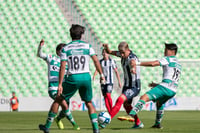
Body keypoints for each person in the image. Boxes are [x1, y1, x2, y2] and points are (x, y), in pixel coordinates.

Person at [58, 24, 105, 133]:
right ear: (82, 35)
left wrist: (60, 84)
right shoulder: (87, 46)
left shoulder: (66, 48)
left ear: (70, 34)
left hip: (73, 77)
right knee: (89, 102)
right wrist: (102, 75)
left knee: (59, 99)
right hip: (85, 76)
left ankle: (51, 123)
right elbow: (96, 61)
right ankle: (96, 129)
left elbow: (63, 66)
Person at [129, 43, 182, 129]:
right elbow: (172, 79)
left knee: (143, 97)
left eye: (166, 50)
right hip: (173, 90)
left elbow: (153, 64)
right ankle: (157, 124)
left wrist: (137, 63)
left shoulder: (168, 59)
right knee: (159, 103)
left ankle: (131, 114)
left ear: (172, 51)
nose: (164, 51)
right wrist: (157, 85)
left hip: (165, 87)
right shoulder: (178, 63)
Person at [37, 39, 79, 133]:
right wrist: (41, 46)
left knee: (65, 108)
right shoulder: (51, 58)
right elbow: (40, 54)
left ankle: (57, 119)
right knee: (63, 104)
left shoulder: (68, 62)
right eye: (62, 49)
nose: (65, 51)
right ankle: (74, 124)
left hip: (64, 89)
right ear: (58, 51)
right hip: (53, 87)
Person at [103, 42, 143, 128]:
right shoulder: (122, 54)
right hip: (127, 85)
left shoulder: (132, 58)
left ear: (128, 50)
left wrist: (133, 68)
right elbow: (110, 51)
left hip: (134, 86)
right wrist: (107, 47)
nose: (121, 54)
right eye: (120, 52)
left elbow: (133, 63)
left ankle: (106, 120)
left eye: (123, 53)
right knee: (126, 105)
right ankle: (138, 123)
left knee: (120, 100)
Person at [93, 49, 122, 113]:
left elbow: (116, 71)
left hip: (110, 81)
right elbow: (97, 69)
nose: (104, 54)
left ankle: (111, 110)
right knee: (105, 96)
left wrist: (119, 81)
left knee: (108, 95)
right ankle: (110, 112)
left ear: (108, 54)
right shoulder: (100, 62)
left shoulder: (112, 61)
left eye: (105, 53)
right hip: (103, 81)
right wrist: (94, 76)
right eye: (103, 53)